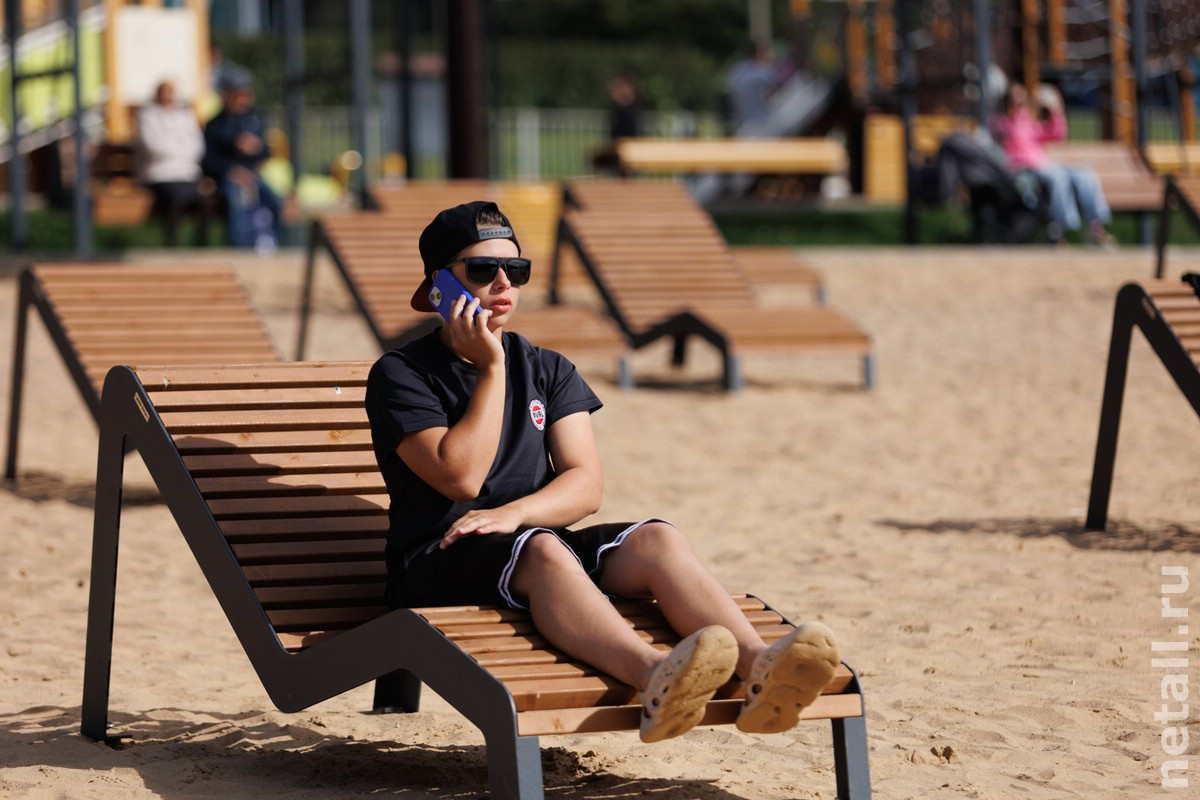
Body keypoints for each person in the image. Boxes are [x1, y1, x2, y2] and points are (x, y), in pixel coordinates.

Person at [364, 201, 842, 743]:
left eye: (516, 270)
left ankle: (759, 668)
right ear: (439, 287)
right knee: (543, 549)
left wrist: (515, 514)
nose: (503, 283)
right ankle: (653, 677)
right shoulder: (401, 374)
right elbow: (461, 479)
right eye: (481, 269)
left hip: (532, 544)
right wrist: (492, 367)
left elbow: (585, 485)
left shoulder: (548, 368)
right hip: (437, 560)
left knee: (657, 539)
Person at [992, 82, 1116, 247]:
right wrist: (1024, 111)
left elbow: (1056, 134)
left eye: (1023, 101)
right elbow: (1008, 136)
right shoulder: (1001, 123)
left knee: (1084, 174)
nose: (1020, 105)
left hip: (1043, 164)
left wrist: (1055, 110)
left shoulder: (1027, 122)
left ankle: (1096, 227)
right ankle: (1061, 229)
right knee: (1059, 178)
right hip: (1025, 168)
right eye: (1016, 101)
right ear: (1007, 103)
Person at [201, 67, 282, 251]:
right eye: (238, 94)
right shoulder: (215, 125)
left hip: (252, 176)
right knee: (237, 202)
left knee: (276, 201)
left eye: (245, 94)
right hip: (227, 178)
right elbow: (208, 160)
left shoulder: (254, 120)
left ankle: (274, 245)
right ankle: (238, 250)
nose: (242, 99)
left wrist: (257, 148)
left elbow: (266, 154)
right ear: (227, 96)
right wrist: (231, 171)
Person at [135, 80, 211, 247]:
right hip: (159, 174)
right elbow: (153, 147)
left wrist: (173, 147)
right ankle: (173, 245)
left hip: (187, 173)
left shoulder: (185, 115)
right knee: (176, 197)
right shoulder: (148, 116)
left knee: (205, 200)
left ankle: (201, 247)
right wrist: (180, 147)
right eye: (164, 92)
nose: (168, 96)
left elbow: (196, 146)